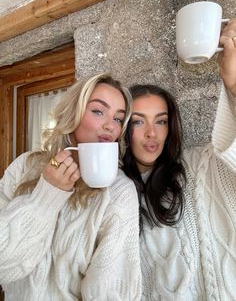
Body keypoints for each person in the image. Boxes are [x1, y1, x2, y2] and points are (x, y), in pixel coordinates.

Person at [0, 73, 142, 301]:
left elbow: (110, 294)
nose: (110, 126)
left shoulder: (119, 191)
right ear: (72, 113)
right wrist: (47, 196)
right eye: (98, 111)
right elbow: (4, 266)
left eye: (118, 119)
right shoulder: (25, 166)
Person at [122, 20, 236, 300]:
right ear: (123, 128)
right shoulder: (115, 190)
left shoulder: (199, 166)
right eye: (138, 122)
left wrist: (233, 84)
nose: (152, 133)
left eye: (161, 121)